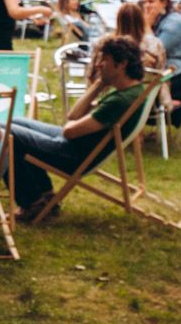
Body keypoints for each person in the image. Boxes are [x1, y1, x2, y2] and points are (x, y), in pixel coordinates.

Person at [8, 36, 148, 222]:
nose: (98, 65)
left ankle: (33, 201)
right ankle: (43, 195)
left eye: (104, 59)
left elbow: (70, 130)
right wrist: (99, 84)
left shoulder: (120, 101)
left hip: (73, 155)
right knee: (15, 121)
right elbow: (73, 116)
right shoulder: (131, 92)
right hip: (77, 146)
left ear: (121, 64)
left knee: (8, 133)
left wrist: (72, 126)